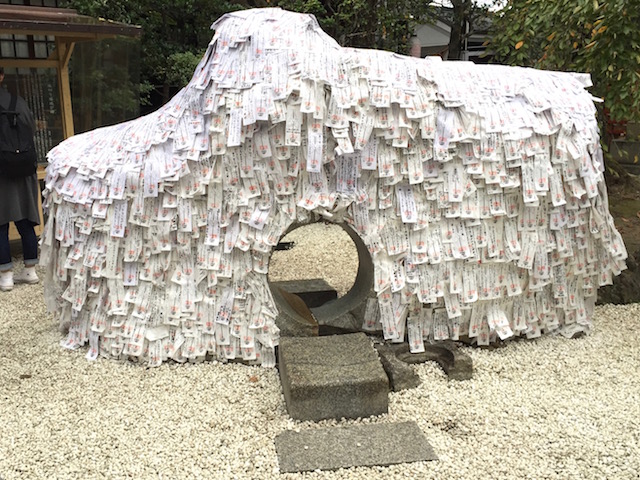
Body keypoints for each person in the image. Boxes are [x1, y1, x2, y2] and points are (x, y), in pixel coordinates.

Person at [0, 67, 40, 291]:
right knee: (25, 221)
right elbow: (31, 131)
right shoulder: (19, 103)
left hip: (1, 174)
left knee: (0, 225)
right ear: (2, 76)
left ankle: (5, 276)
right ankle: (30, 271)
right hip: (23, 169)